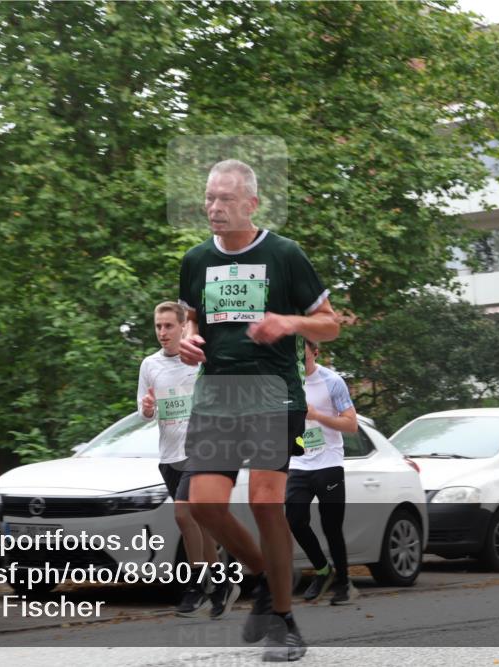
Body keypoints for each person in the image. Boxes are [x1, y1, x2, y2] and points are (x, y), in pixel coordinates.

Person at [178, 159, 339, 662]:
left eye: (226, 198)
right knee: (204, 505)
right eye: (209, 197)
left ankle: (284, 623)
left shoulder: (284, 254)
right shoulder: (196, 260)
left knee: (267, 502)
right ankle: (268, 577)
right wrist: (188, 339)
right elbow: (191, 318)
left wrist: (289, 323)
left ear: (251, 203)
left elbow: (330, 323)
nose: (215, 207)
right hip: (217, 395)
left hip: (273, 393)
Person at [136, 302, 233, 618]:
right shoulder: (150, 365)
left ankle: (195, 585)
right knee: (200, 523)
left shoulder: (200, 361)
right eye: (158, 326)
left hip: (200, 451)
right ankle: (221, 584)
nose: (162, 332)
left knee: (183, 514)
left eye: (168, 326)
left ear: (182, 327)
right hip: (169, 455)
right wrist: (147, 408)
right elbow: (145, 410)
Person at [285, 340, 357, 605]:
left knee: (331, 526)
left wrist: (317, 415)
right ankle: (323, 570)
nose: (297, 358)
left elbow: (351, 424)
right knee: (294, 520)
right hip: (299, 463)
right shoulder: (287, 382)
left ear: (315, 352)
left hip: (329, 463)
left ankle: (344, 584)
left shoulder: (332, 382)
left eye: (302, 353)